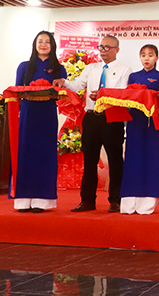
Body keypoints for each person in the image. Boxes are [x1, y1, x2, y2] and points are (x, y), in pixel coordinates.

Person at [61, 35, 131, 213]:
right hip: (91, 117)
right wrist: (64, 83)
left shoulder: (125, 69)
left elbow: (122, 94)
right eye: (101, 47)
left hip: (112, 117)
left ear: (117, 49)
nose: (103, 50)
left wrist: (102, 95)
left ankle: (116, 200)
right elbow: (77, 86)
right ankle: (87, 200)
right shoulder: (91, 68)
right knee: (89, 160)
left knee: (115, 160)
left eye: (107, 47)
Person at [11, 31, 67, 212]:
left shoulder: (59, 68)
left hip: (47, 114)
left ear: (53, 45)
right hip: (28, 114)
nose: (43, 44)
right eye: (40, 41)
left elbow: (62, 94)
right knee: (25, 153)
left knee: (45, 154)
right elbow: (17, 90)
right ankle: (23, 200)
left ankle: (42, 201)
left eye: (47, 42)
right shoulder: (24, 66)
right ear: (35, 44)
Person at [120, 45, 159, 215]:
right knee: (133, 158)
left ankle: (148, 201)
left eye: (150, 55)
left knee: (152, 157)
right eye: (143, 55)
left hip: (153, 123)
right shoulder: (133, 76)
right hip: (135, 122)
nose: (146, 58)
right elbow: (128, 98)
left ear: (157, 57)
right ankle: (129, 202)